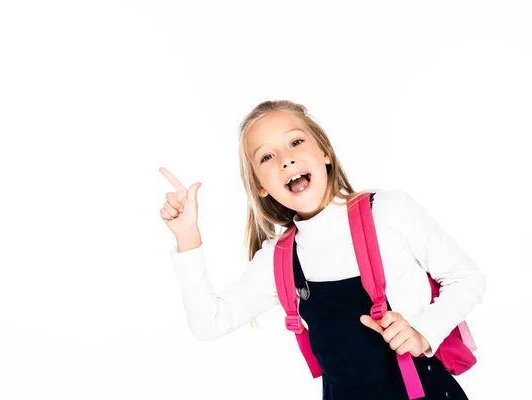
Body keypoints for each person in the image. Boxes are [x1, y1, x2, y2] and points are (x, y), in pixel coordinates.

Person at [158, 100, 486, 399]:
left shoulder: (388, 212)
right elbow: (209, 323)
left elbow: (467, 279)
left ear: (325, 152)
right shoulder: (279, 259)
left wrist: (422, 332)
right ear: (260, 186)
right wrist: (187, 238)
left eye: (296, 142)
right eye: (267, 157)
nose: (286, 159)